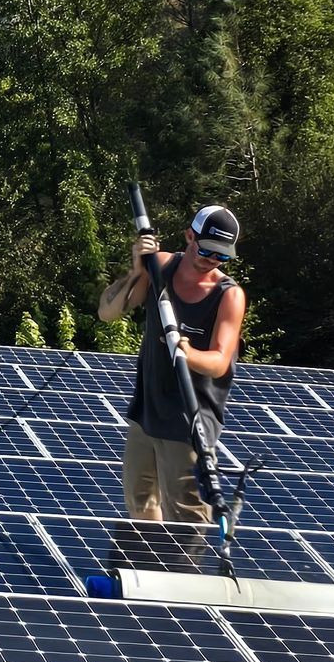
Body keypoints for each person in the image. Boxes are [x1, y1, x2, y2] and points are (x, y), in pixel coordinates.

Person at [96, 203, 246, 524]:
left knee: (188, 514)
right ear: (190, 236)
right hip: (147, 410)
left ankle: (186, 572)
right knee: (140, 500)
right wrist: (138, 271)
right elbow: (107, 313)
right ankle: (149, 566)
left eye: (222, 256)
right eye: (207, 250)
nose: (212, 261)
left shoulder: (228, 296)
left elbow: (219, 362)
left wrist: (186, 352)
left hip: (188, 421)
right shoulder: (161, 267)